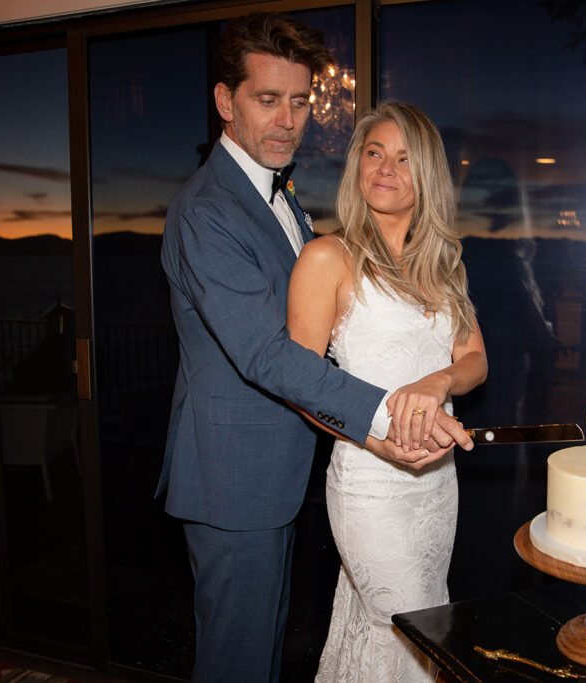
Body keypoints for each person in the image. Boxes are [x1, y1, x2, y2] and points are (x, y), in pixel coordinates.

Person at [157, 13, 471, 682]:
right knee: (236, 661)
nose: (288, 120)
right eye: (268, 100)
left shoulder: (281, 197)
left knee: (261, 651)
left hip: (278, 472)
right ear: (225, 101)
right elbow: (267, 355)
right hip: (232, 478)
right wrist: (385, 420)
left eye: (300, 102)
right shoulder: (207, 209)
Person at [287, 101, 488, 681]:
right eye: (374, 153)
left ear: (425, 175)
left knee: (413, 613)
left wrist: (439, 379)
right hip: (370, 480)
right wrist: (377, 445)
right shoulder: (328, 257)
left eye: (403, 158)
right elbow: (300, 385)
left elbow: (474, 359)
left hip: (436, 482)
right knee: (404, 624)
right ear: (357, 167)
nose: (385, 167)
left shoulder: (444, 265)